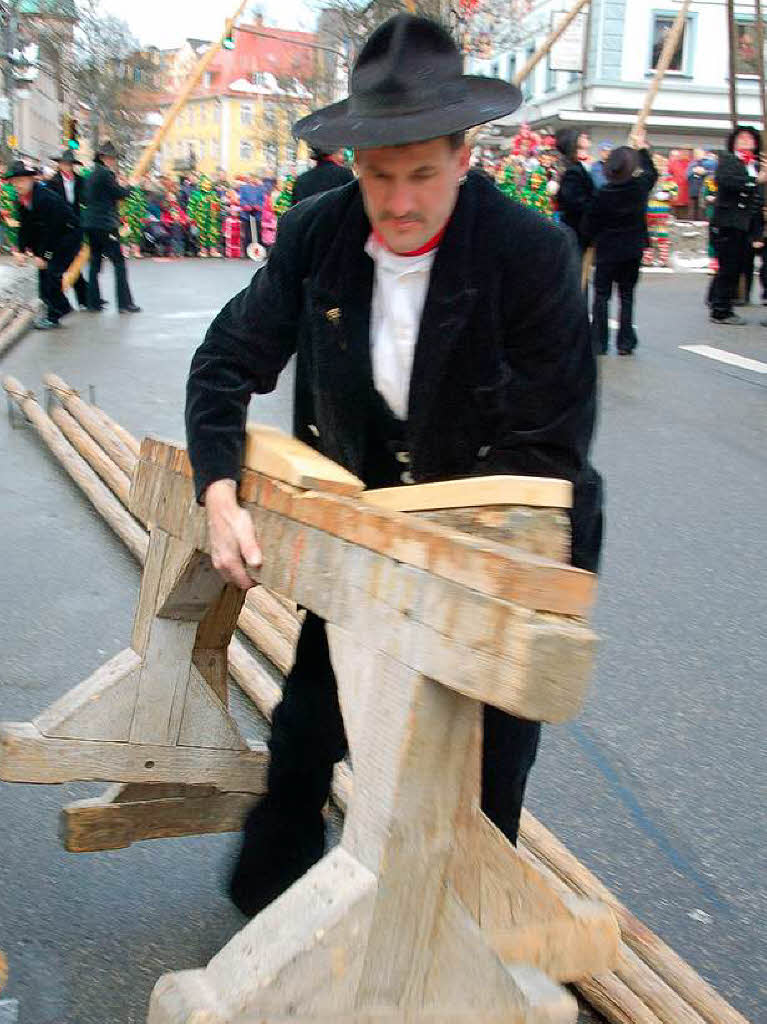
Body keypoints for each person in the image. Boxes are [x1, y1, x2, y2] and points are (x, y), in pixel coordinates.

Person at [186, 14, 603, 919]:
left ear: (462, 155)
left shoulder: (531, 255)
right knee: (306, 732)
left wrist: (422, 562)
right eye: (379, 176)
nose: (399, 201)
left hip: (503, 551)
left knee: (477, 770)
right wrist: (218, 492)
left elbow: (547, 447)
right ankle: (273, 911)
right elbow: (224, 363)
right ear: (353, 165)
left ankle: (451, 938)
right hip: (362, 542)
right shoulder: (318, 236)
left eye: (422, 173)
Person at [582, 129, 658, 355]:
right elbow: (652, 173)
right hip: (632, 248)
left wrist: (588, 240)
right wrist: (642, 148)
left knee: (601, 296)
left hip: (607, 249)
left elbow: (590, 224)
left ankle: (599, 342)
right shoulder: (639, 188)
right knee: (627, 295)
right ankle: (625, 343)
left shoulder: (603, 193)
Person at [4, 159, 82, 330]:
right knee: (44, 276)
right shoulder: (22, 199)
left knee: (52, 273)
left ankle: (55, 314)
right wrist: (20, 249)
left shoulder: (45, 197)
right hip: (48, 237)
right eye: (15, 181)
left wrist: (44, 255)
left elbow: (54, 229)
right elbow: (25, 226)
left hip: (67, 237)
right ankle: (60, 308)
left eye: (22, 180)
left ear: (32, 180)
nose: (18, 185)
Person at [709, 126, 767, 325]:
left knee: (739, 266)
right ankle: (720, 310)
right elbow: (725, 181)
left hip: (746, 223)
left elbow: (759, 197)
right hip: (727, 222)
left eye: (749, 138)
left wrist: (758, 230)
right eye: (740, 138)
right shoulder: (728, 159)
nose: (745, 141)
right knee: (728, 267)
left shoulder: (756, 164)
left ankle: (722, 303)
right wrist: (753, 181)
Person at [81, 141, 141, 314]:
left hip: (91, 224)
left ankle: (93, 302)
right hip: (105, 225)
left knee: (94, 263)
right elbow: (120, 194)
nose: (113, 161)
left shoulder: (91, 175)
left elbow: (85, 198)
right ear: (104, 158)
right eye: (111, 158)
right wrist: (132, 185)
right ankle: (124, 303)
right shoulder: (106, 174)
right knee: (119, 263)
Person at [47, 149, 88, 308]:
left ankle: (83, 299)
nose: (66, 167)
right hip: (60, 225)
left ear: (73, 166)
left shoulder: (80, 181)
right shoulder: (53, 182)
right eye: (64, 164)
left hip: (76, 224)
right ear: (59, 165)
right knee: (64, 264)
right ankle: (68, 300)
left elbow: (84, 199)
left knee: (74, 262)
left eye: (69, 164)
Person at [555, 127, 595, 254]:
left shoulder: (574, 167)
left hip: (577, 227)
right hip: (576, 228)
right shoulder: (573, 171)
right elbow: (573, 201)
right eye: (580, 136)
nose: (584, 136)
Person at [686, 148, 715, 221]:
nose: (697, 155)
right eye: (695, 154)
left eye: (698, 153)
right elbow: (687, 175)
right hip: (694, 191)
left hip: (705, 191)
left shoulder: (711, 163)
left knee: (702, 210)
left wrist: (705, 172)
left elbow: (714, 174)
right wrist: (693, 171)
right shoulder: (692, 164)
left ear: (704, 154)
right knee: (693, 212)